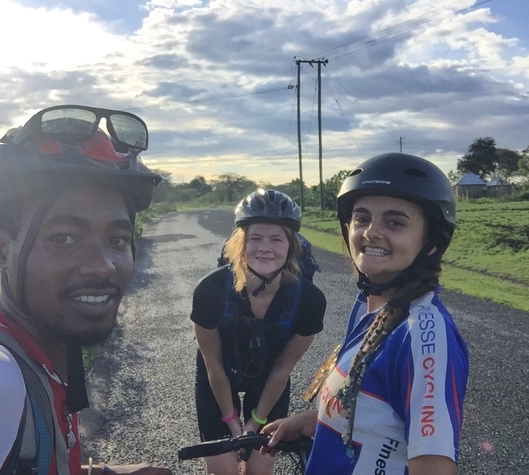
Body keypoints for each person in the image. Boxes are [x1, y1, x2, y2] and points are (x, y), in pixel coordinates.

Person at [0, 105, 172, 475]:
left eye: (117, 239)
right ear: (2, 249)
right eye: (64, 238)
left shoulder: (43, 360)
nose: (103, 266)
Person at [262, 153, 469, 475]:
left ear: (430, 242)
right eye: (361, 218)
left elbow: (433, 466)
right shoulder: (369, 307)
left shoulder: (423, 334)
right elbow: (374, 415)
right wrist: (312, 421)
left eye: (395, 222)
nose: (371, 232)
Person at [191, 189, 327, 475]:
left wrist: (254, 424)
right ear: (240, 244)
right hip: (218, 376)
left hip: (270, 377)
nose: (265, 248)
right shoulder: (209, 291)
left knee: (258, 471)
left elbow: (283, 367)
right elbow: (212, 362)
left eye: (276, 239)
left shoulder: (310, 301)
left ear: (291, 246)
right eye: (255, 238)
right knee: (223, 470)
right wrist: (232, 423)